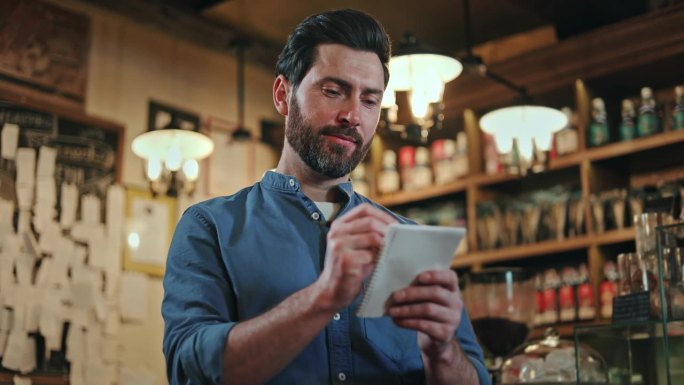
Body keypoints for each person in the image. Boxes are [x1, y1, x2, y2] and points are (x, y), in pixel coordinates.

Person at [162, 8, 490, 385]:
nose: (353, 115)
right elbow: (190, 372)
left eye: (370, 100)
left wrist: (443, 352)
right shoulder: (210, 227)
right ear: (283, 95)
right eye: (333, 91)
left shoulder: (409, 241)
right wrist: (322, 298)